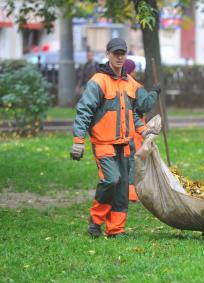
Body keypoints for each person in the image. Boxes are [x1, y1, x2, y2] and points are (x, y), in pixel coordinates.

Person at [70, 38, 159, 238]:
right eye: (115, 53)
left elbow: (132, 112)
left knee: (122, 188)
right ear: (108, 54)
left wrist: (143, 129)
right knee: (111, 180)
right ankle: (96, 219)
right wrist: (78, 141)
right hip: (103, 142)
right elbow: (84, 111)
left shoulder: (129, 82)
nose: (119, 57)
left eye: (122, 53)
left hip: (125, 144)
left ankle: (116, 230)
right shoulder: (98, 82)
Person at [123, 58, 160, 202]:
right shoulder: (134, 85)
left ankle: (122, 191)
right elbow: (145, 105)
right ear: (131, 70)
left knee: (124, 161)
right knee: (134, 161)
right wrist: (155, 93)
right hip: (134, 129)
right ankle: (132, 194)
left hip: (120, 128)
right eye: (134, 69)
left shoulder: (118, 83)